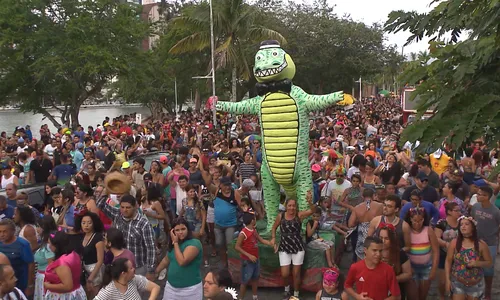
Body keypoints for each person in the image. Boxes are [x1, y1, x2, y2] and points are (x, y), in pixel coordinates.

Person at [96, 193, 156, 280]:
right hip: (119, 265)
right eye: (122, 207)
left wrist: (150, 270)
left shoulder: (143, 223)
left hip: (138, 267)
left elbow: (151, 247)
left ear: (135, 207)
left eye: (128, 207)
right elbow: (99, 205)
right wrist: (106, 192)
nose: (124, 210)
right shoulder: (117, 215)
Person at [271, 191, 315, 299]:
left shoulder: (299, 215)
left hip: (298, 246)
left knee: (296, 273)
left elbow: (312, 211)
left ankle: (296, 294)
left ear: (296, 207)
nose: (291, 208)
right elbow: (273, 228)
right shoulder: (280, 216)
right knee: (285, 273)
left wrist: (310, 202)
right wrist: (273, 239)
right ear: (286, 206)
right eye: (289, 205)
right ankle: (286, 289)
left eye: (294, 206)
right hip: (284, 246)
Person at [445, 216, 492, 300]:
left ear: (473, 227)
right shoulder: (454, 243)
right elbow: (448, 261)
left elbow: (489, 263)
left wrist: (477, 263)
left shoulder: (481, 244)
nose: (463, 226)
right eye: (461, 224)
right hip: (457, 282)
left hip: (476, 284)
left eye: (466, 224)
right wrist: (447, 280)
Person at [155, 217, 203, 299]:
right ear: (172, 232)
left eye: (183, 229)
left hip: (190, 290)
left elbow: (182, 261)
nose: (180, 232)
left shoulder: (194, 243)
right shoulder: (173, 246)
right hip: (171, 288)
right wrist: (156, 272)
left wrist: (176, 243)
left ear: (188, 229)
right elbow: (166, 259)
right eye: (177, 230)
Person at [470, 186, 500, 300]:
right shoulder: (476, 207)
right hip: (476, 241)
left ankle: (488, 292)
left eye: (480, 194)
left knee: (489, 269)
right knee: (474, 265)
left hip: (490, 243)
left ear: (487, 196)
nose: (478, 196)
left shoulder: (496, 211)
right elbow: (472, 220)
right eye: (478, 193)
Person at [234, 211, 273, 300]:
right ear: (252, 221)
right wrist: (249, 256)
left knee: (255, 278)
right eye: (255, 218)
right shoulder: (243, 233)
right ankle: (240, 298)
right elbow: (237, 247)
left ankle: (255, 297)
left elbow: (261, 240)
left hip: (255, 259)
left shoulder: (254, 231)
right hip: (247, 261)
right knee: (245, 281)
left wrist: (270, 243)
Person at [405, 207, 439, 300]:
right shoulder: (407, 231)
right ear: (410, 219)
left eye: (420, 220)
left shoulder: (428, 230)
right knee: (412, 296)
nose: (417, 223)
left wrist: (433, 269)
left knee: (423, 296)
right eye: (415, 220)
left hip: (426, 267)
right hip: (411, 267)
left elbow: (436, 251)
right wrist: (407, 267)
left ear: (424, 219)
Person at [43, 231, 87, 299]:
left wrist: (48, 286)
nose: (49, 246)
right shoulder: (74, 254)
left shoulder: (62, 263)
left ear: (57, 246)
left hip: (64, 296)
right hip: (76, 292)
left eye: (50, 243)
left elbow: (68, 286)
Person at [94, 258, 160, 300]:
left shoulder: (134, 279)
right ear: (123, 273)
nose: (134, 269)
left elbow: (156, 288)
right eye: (131, 268)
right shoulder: (109, 289)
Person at [74, 211, 105, 298]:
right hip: (85, 269)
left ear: (94, 224)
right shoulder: (82, 236)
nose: (86, 225)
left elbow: (100, 261)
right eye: (83, 223)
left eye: (89, 223)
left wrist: (91, 277)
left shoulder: (98, 238)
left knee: (95, 296)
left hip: (96, 270)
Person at [0, 219, 34, 297]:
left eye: (5, 231)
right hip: (4, 286)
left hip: (21, 284)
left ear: (13, 231)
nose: (2, 234)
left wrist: (30, 286)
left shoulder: (23, 244)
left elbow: (30, 265)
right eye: (0, 231)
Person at [348, 189, 383, 261]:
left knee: (360, 257)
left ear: (362, 196)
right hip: (375, 234)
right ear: (373, 196)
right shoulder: (380, 206)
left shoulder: (357, 207)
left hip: (362, 235)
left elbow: (350, 224)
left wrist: (359, 220)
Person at [434, 202, 460, 300]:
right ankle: (442, 296)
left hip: (457, 255)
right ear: (449, 212)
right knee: (442, 281)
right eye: (456, 210)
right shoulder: (442, 223)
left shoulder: (461, 223)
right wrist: (446, 244)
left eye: (459, 210)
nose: (459, 212)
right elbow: (436, 238)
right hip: (443, 254)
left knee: (456, 280)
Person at [33, 216, 57, 300]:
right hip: (41, 278)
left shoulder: (48, 245)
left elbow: (52, 266)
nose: (37, 228)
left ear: (45, 228)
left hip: (46, 279)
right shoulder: (44, 241)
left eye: (39, 226)